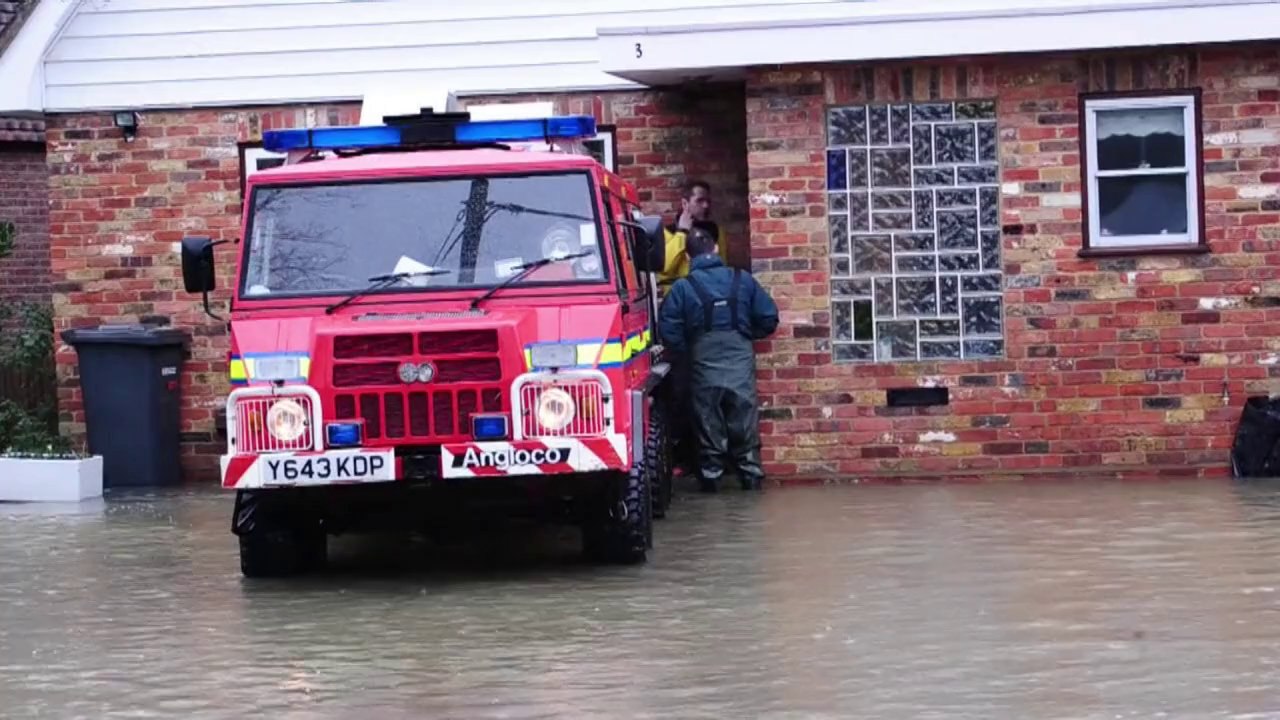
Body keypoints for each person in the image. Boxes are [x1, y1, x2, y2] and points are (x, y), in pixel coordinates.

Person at [658, 226, 779, 492]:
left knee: (707, 418)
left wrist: (689, 351)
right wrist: (745, 335)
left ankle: (711, 477)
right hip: (740, 359)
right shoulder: (743, 279)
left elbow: (668, 330)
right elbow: (769, 318)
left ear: (688, 258)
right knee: (743, 415)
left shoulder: (681, 288)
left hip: (702, 363)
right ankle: (750, 473)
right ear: (715, 248)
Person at [657, 179, 730, 289]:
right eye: (699, 201)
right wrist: (682, 232)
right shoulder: (668, 232)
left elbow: (722, 266)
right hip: (678, 295)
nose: (705, 205)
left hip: (707, 292)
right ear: (685, 203)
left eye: (708, 201)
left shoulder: (714, 230)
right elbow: (665, 268)